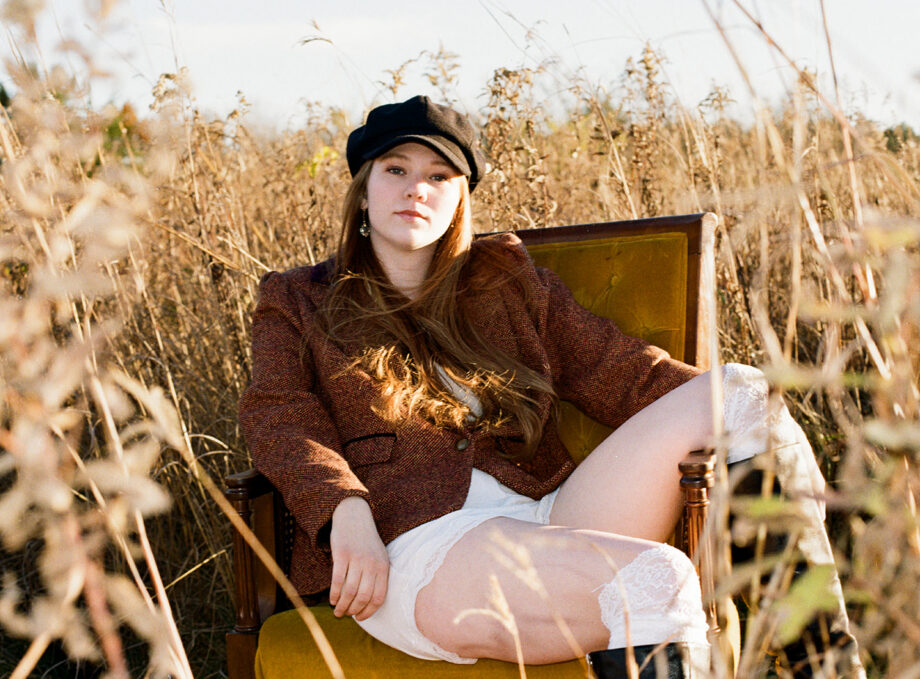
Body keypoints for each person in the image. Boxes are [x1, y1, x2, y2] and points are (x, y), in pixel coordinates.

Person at [238, 95, 863, 678]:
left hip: (547, 512)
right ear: (364, 189)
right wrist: (345, 512)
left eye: (439, 176)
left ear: (461, 197)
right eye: (396, 170)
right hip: (416, 545)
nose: (416, 190)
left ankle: (826, 664)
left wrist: (726, 430)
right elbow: (279, 418)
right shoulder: (299, 299)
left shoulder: (505, 281)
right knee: (656, 577)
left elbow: (623, 372)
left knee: (746, 390)